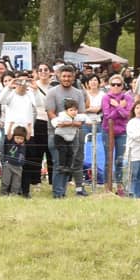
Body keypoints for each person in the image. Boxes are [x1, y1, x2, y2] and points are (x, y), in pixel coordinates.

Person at [45, 66, 88, 198]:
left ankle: (62, 192)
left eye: (69, 76)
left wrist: (72, 123)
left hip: (73, 134)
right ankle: (57, 193)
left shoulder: (78, 93)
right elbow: (50, 112)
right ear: (58, 76)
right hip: (57, 134)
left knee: (68, 163)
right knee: (59, 163)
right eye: (64, 76)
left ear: (73, 77)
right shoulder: (52, 92)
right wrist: (59, 123)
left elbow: (81, 114)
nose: (66, 79)